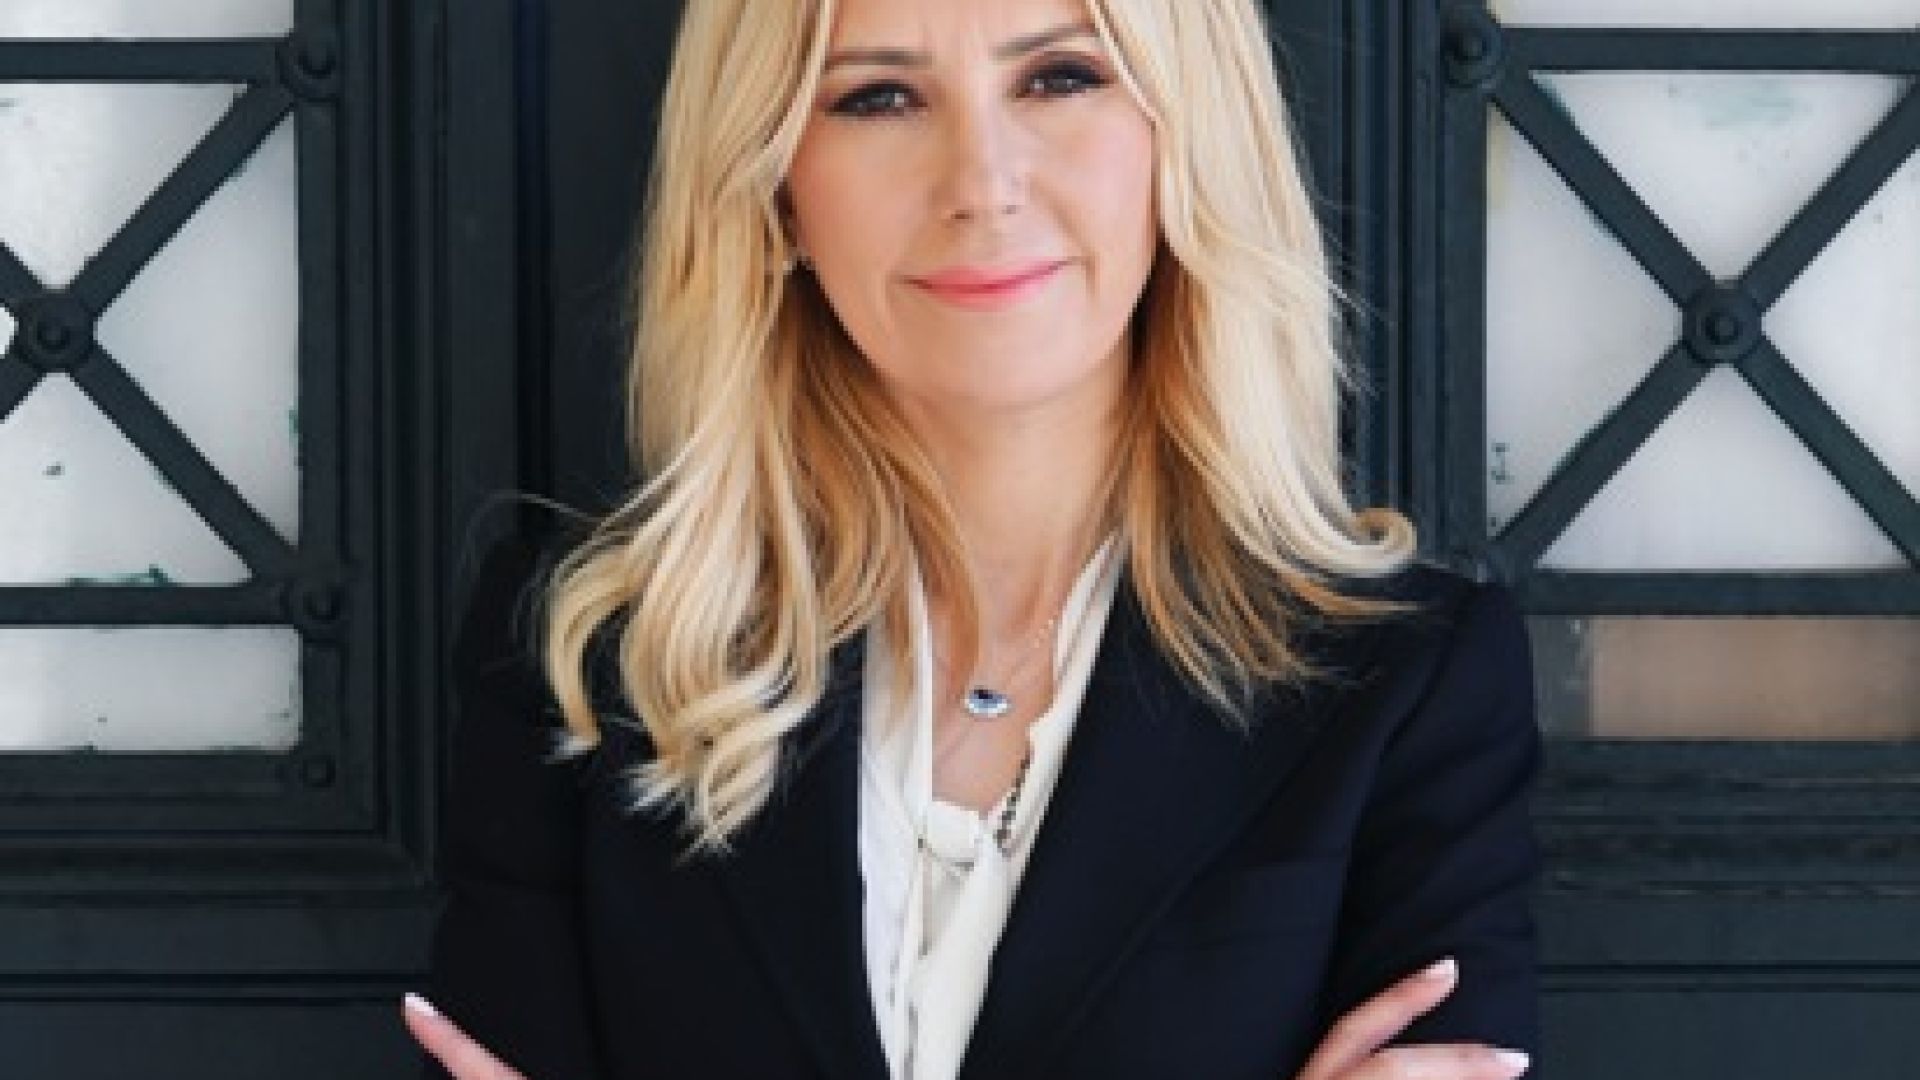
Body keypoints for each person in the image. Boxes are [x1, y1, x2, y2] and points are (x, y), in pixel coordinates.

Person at [405, 0, 1542, 1076]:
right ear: (774, 190)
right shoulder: (583, 665)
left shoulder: (1409, 685)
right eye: (879, 98)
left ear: (1187, 137)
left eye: (1060, 77)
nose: (983, 185)